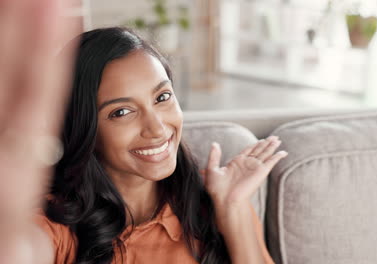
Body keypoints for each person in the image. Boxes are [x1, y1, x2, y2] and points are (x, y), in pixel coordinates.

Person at [0, 1, 288, 263]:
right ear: (83, 126)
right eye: (121, 112)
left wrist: (233, 208)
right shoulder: (54, 224)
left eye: (162, 98)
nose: (157, 128)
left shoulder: (213, 201)